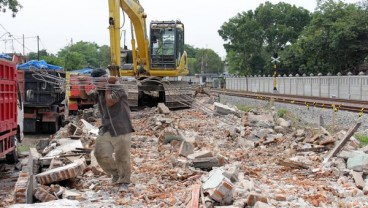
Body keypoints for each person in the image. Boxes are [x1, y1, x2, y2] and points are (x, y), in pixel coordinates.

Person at [79, 68, 134, 191]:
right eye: (94, 82)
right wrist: (81, 84)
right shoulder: (99, 91)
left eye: (97, 82)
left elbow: (110, 102)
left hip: (121, 127)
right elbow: (84, 97)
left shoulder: (118, 87)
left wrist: (108, 85)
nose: (95, 85)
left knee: (122, 156)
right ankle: (116, 173)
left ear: (105, 78)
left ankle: (124, 182)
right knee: (100, 154)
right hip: (107, 128)